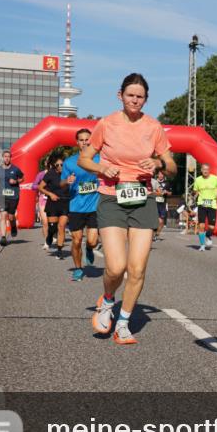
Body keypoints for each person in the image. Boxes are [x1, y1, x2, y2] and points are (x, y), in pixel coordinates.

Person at [79, 73, 176, 345]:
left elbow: (172, 166)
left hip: (142, 197)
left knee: (137, 269)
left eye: (140, 96)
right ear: (120, 95)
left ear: (146, 99)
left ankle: (123, 322)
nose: (135, 100)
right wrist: (101, 167)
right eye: (130, 95)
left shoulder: (153, 127)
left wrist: (157, 164)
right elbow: (85, 158)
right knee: (116, 267)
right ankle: (107, 301)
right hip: (111, 197)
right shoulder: (106, 124)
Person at [62, 128, 100, 281]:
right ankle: (78, 268)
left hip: (95, 205)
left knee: (92, 240)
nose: (84, 142)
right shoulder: (70, 162)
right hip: (76, 206)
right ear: (77, 143)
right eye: (81, 140)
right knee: (76, 241)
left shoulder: (100, 159)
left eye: (87, 140)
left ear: (91, 141)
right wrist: (67, 181)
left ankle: (90, 248)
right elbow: (62, 182)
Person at [38, 151, 72, 259]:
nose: (60, 167)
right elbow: (40, 187)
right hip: (53, 203)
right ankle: (49, 238)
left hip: (65, 202)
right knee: (52, 228)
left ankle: (59, 250)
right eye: (58, 165)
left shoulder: (68, 173)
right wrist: (50, 194)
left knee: (61, 226)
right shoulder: (50, 174)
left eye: (62, 164)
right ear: (54, 165)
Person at [0, 149, 24, 246]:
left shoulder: (15, 169)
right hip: (2, 196)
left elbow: (22, 178)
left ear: (10, 158)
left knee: (11, 216)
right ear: (2, 157)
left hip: (13, 196)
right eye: (5, 156)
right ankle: (3, 237)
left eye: (8, 156)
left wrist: (16, 182)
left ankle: (13, 226)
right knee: (3, 215)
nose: (7, 158)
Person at [191, 163, 217, 251]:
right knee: (201, 226)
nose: (205, 171)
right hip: (202, 204)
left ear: (209, 170)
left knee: (211, 227)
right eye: (204, 169)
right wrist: (194, 194)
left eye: (207, 169)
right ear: (201, 170)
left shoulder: (215, 179)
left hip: (212, 205)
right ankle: (202, 245)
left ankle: (208, 235)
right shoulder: (197, 180)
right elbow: (195, 190)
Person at [32, 166, 49, 249]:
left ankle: (54, 235)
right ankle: (47, 241)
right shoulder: (41, 174)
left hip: (55, 199)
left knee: (54, 222)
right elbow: (33, 186)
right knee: (45, 222)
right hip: (44, 200)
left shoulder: (58, 173)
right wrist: (41, 187)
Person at [151, 169, 171, 241]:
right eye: (159, 174)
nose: (161, 175)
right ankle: (152, 234)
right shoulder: (152, 181)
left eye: (162, 174)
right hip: (153, 203)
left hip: (162, 203)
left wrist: (166, 192)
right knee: (153, 219)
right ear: (157, 175)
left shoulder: (167, 183)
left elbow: (170, 193)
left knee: (161, 221)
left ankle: (157, 234)